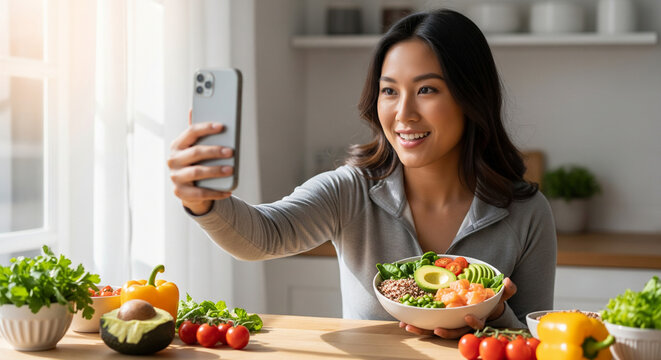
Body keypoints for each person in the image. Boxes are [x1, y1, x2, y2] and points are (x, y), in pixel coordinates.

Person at [167, 9, 556, 339]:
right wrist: (205, 202)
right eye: (389, 91)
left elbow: (537, 341)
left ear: (471, 98)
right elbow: (264, 236)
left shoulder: (526, 212)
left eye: (427, 90)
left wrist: (491, 318)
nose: (403, 113)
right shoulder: (351, 190)